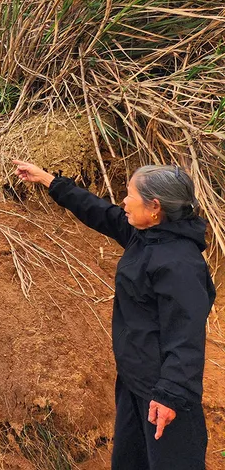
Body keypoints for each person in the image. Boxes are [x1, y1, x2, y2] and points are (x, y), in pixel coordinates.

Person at [13, 160, 215, 470]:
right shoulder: (145, 234)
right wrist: (49, 181)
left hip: (164, 397)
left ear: (155, 207)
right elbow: (100, 212)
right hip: (135, 383)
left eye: (130, 195)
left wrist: (170, 395)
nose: (123, 201)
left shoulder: (180, 264)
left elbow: (186, 337)